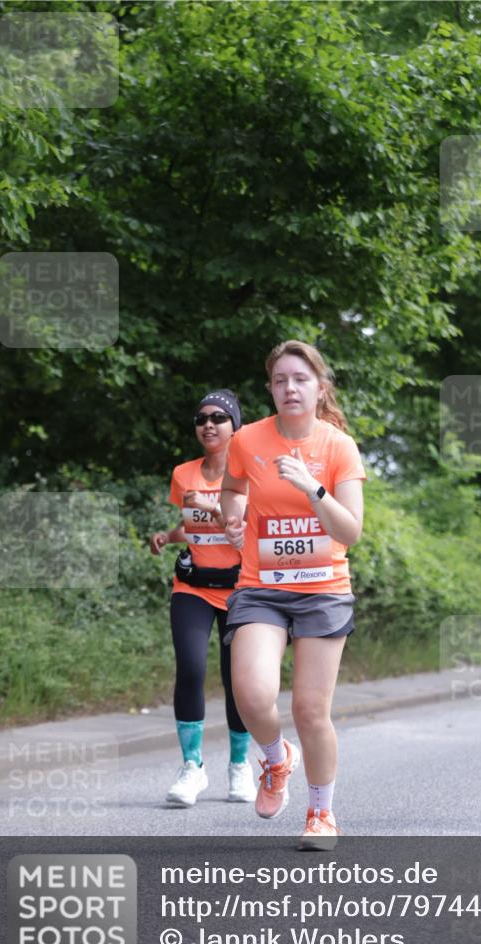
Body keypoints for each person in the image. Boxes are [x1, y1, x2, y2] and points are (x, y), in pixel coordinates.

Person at [220, 340, 366, 849]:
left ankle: (321, 813)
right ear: (271, 388)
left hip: (323, 590)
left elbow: (349, 532)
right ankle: (276, 759)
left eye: (300, 379)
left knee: (309, 708)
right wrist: (232, 515)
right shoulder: (248, 440)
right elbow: (234, 488)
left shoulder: (337, 447)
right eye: (280, 380)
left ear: (319, 387)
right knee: (251, 693)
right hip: (262, 587)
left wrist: (313, 487)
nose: (290, 388)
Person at [150, 390, 256, 807]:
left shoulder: (249, 474)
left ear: (236, 426)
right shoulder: (183, 473)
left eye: (219, 417)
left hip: (239, 589)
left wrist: (210, 508)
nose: (208, 424)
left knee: (238, 683)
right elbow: (191, 524)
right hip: (192, 586)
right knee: (191, 670)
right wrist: (169, 535)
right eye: (201, 418)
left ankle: (239, 768)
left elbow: (245, 528)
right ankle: (192, 767)